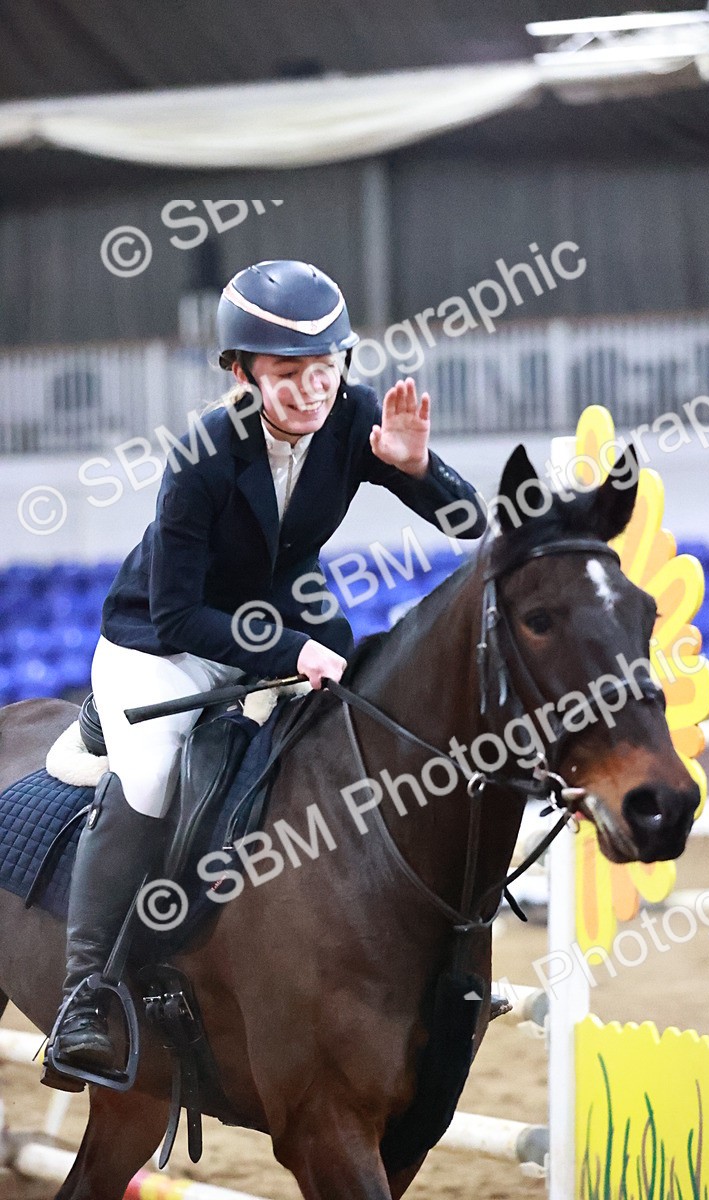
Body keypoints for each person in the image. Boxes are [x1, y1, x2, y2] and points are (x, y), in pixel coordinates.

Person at [48, 258, 487, 1077]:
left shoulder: (354, 416)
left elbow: (471, 524)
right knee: (152, 781)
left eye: (326, 368)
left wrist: (418, 468)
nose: (312, 390)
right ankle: (85, 992)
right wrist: (292, 651)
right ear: (242, 373)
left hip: (282, 616)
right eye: (288, 375)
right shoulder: (203, 455)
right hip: (164, 646)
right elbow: (179, 615)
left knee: (350, 726)